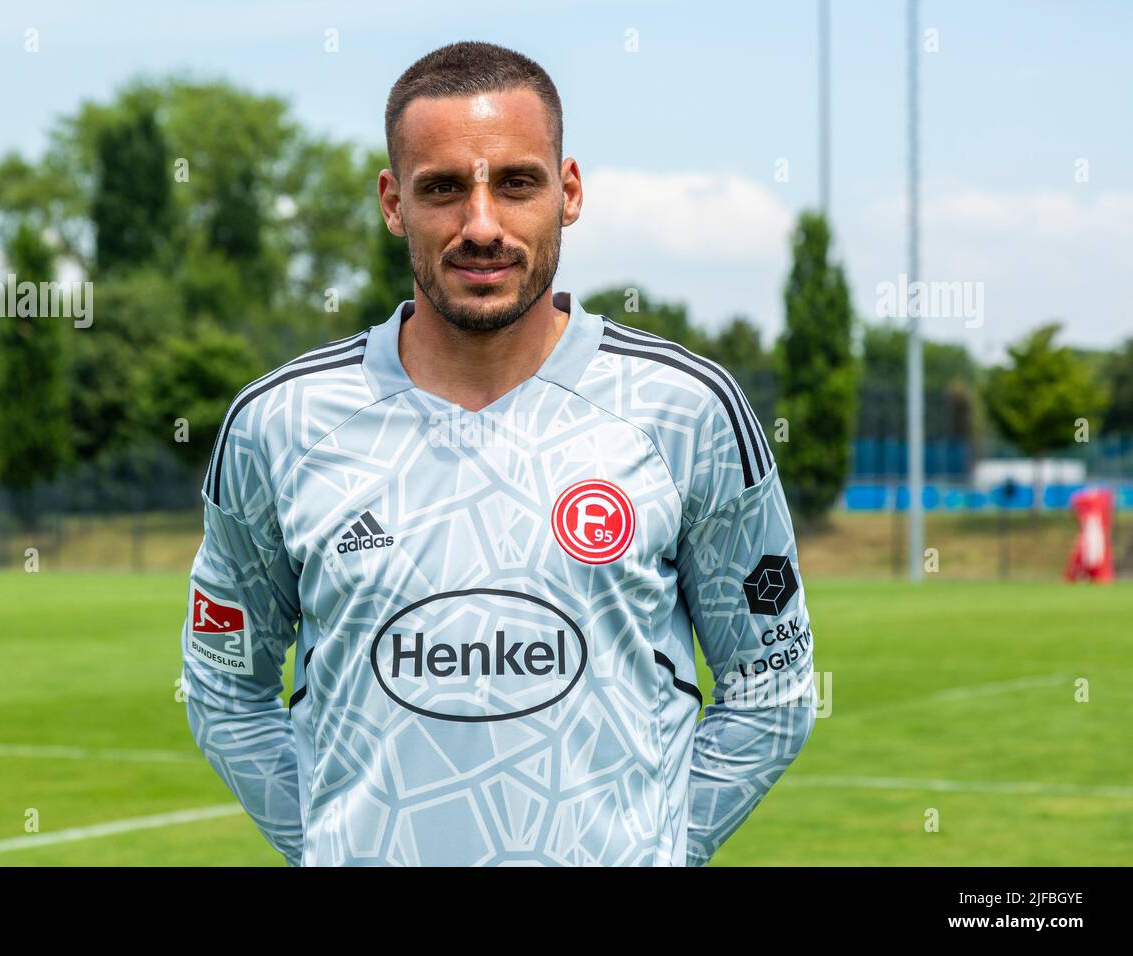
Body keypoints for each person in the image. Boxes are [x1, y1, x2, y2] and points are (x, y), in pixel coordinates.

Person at [182, 40, 816, 867]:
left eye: (517, 182)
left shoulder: (685, 411)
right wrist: (336, 847)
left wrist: (655, 852)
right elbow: (227, 690)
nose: (481, 226)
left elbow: (772, 690)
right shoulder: (281, 424)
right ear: (392, 202)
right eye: (442, 188)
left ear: (570, 191)